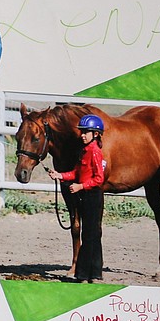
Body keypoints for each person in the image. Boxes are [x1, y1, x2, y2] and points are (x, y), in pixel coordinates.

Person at [47, 114, 106, 282]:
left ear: (95, 134)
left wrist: (81, 186)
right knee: (92, 233)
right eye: (82, 132)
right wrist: (60, 175)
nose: (82, 135)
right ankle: (94, 272)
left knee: (88, 235)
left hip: (92, 195)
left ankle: (82, 274)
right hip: (85, 195)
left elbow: (99, 178)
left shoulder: (94, 152)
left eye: (86, 132)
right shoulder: (84, 151)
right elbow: (76, 173)